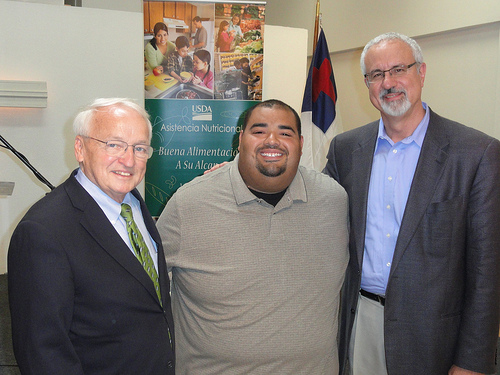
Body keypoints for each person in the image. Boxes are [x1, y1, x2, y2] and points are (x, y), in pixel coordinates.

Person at [323, 32, 500, 375]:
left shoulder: (477, 153)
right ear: (367, 84)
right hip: (360, 325)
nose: (388, 82)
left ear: (421, 72)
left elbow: (487, 270)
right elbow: (313, 205)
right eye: (377, 74)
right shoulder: (346, 150)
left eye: (398, 69)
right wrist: (240, 174)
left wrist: (472, 361)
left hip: (436, 338)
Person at [157, 99, 349, 374]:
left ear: (302, 143)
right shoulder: (189, 204)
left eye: (285, 133)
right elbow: (144, 291)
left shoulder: (334, 201)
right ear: (240, 139)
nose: (272, 141)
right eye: (259, 131)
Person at [8, 98, 175, 375]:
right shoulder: (43, 231)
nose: (129, 159)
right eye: (113, 145)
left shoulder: (133, 205)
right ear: (80, 149)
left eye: (140, 148)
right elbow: (43, 353)